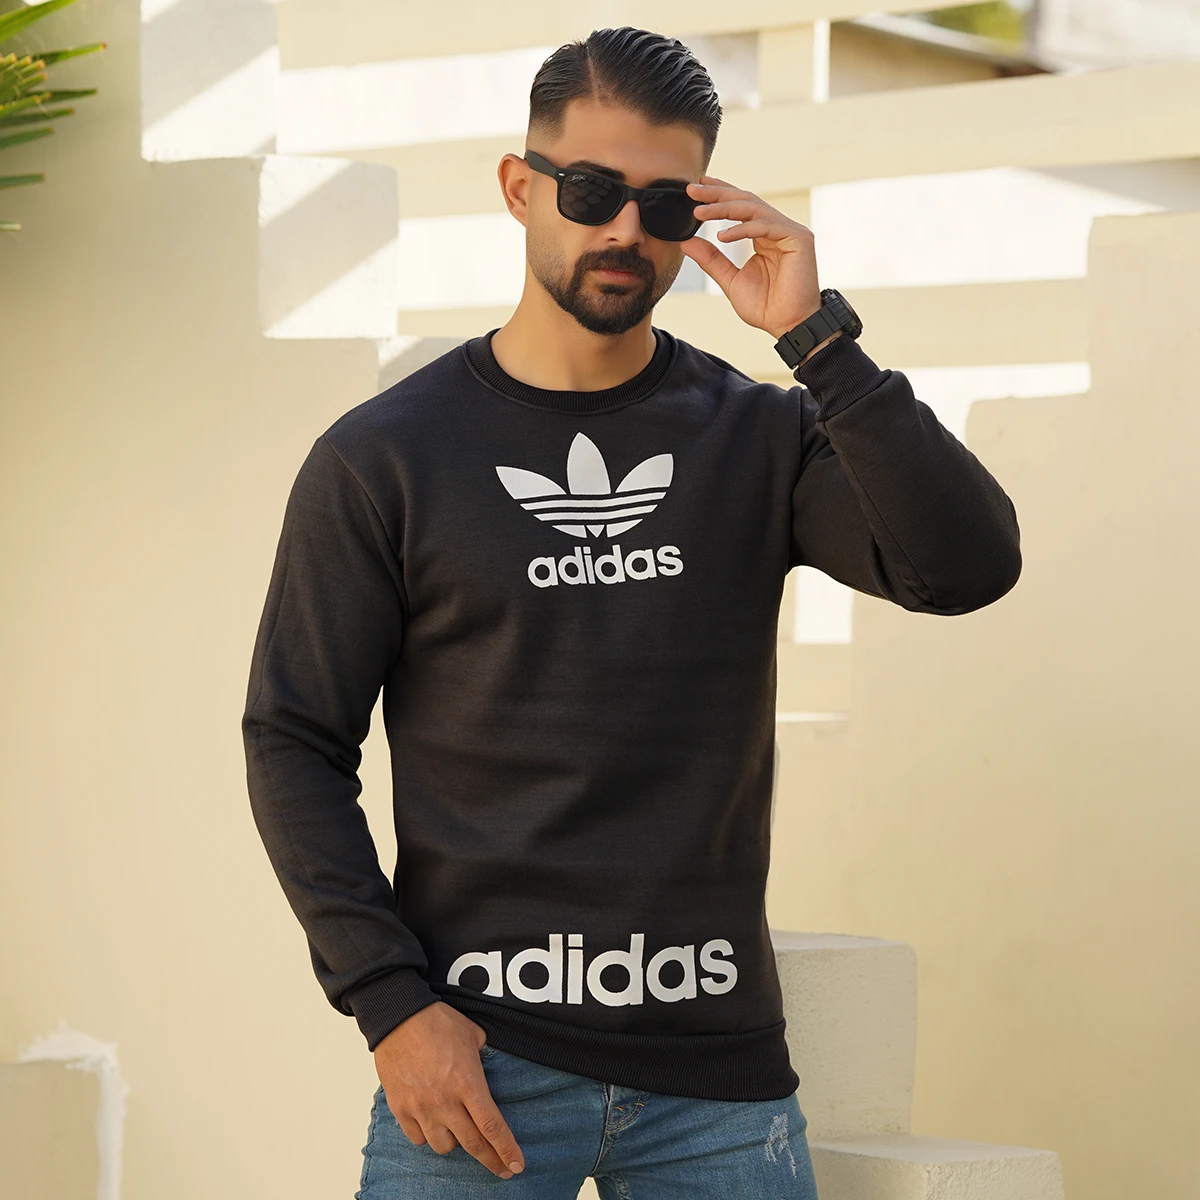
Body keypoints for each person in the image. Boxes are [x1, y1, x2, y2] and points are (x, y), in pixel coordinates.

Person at [241, 25, 1022, 1200]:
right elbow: (293, 739)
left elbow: (967, 567)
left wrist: (818, 341)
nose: (624, 231)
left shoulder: (757, 436)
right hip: (479, 1068)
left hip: (718, 1087)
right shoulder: (386, 458)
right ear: (521, 188)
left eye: (664, 205)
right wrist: (389, 1003)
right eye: (591, 190)